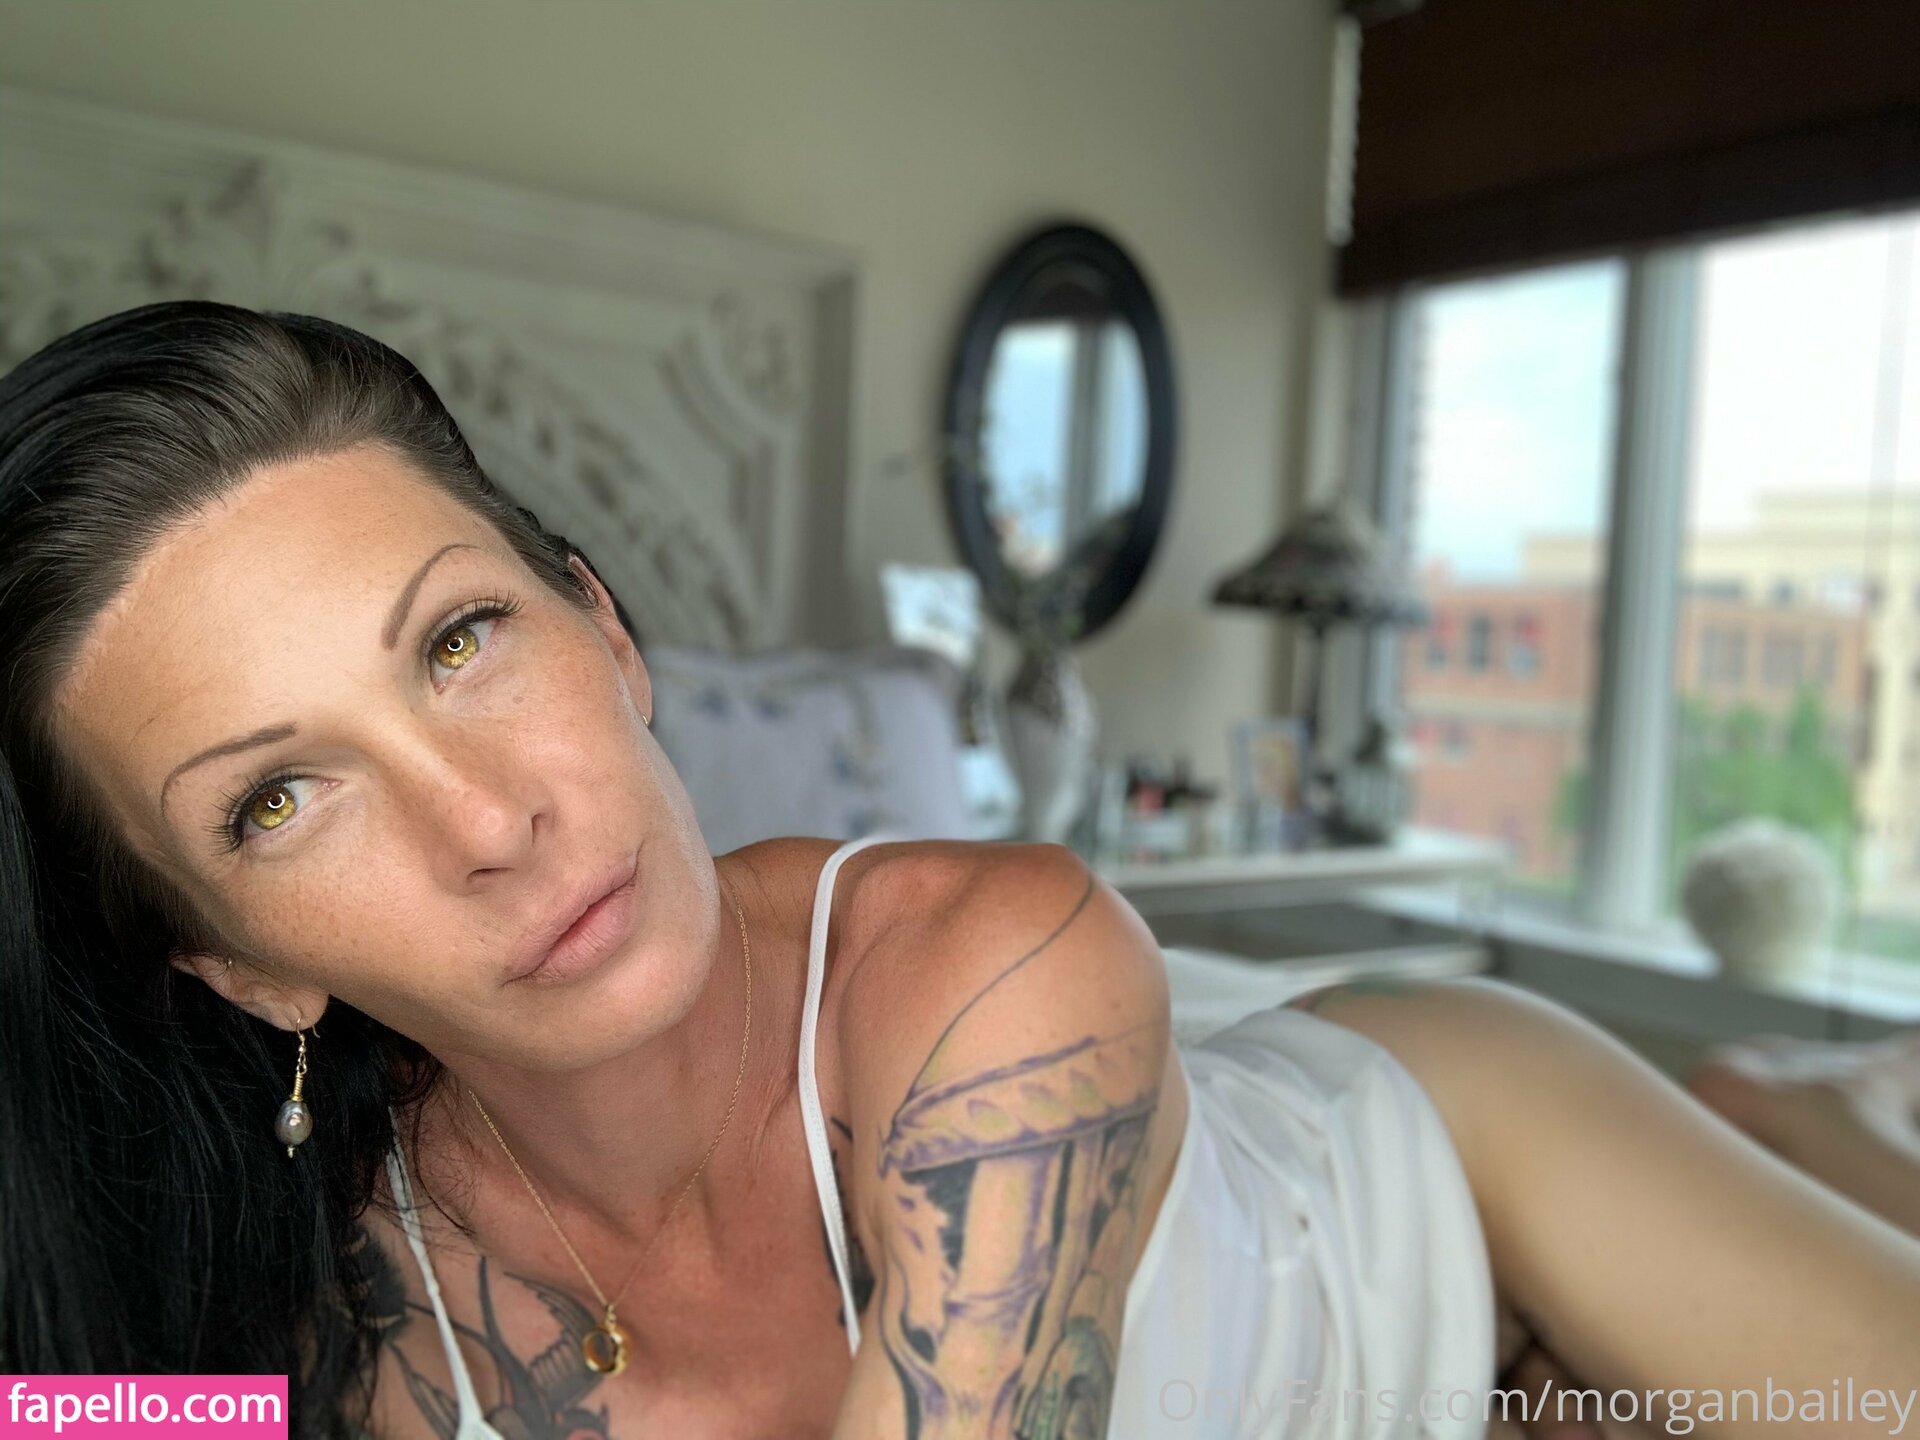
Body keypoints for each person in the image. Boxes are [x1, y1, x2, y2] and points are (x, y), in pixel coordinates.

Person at [0, 302, 1913, 1440]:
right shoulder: (308, 1297)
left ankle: (1798, 1110)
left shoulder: (1004, 960)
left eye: (461, 640)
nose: (489, 822)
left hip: (1451, 1163)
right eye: (282, 800)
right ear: (230, 961)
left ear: (606, 628)